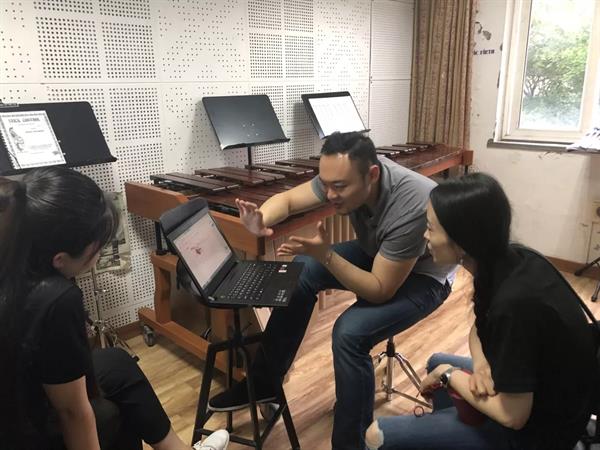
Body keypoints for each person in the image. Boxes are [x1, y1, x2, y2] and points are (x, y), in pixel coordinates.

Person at [209, 132, 456, 449]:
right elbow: (287, 201)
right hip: (380, 253)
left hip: (425, 276)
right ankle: (264, 384)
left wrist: (326, 255)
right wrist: (261, 220)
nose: (329, 194)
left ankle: (352, 443)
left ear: (372, 175)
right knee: (301, 271)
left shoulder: (411, 202)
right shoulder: (341, 175)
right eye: (325, 185)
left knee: (349, 333)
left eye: (339, 187)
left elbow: (380, 289)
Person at [0, 167, 229, 450]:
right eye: (97, 247)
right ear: (60, 259)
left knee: (117, 363)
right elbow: (71, 412)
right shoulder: (56, 298)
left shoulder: (12, 257)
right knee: (109, 415)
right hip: (19, 424)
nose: (99, 254)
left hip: (18, 385)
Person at [365, 173, 597, 449]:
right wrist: (483, 365)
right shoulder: (511, 259)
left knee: (376, 435)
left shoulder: (515, 306)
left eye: (431, 228)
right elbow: (479, 326)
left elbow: (513, 416)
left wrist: (449, 374)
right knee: (437, 362)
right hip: (542, 390)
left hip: (541, 433)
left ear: (462, 241)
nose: (425, 235)